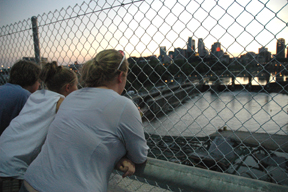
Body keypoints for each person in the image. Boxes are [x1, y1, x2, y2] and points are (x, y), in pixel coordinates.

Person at [23, 49, 149, 192]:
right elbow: (140, 156)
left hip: (31, 182)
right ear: (121, 76)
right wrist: (122, 156)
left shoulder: (70, 97)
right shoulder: (124, 105)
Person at [0, 61, 78, 181]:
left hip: (4, 151)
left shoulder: (36, 96)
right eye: (76, 86)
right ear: (68, 87)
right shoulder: (61, 102)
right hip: (13, 169)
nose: (77, 89)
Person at [0, 60, 41, 135]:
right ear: (32, 80)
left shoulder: (3, 88)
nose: (39, 84)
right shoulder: (24, 95)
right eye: (38, 81)